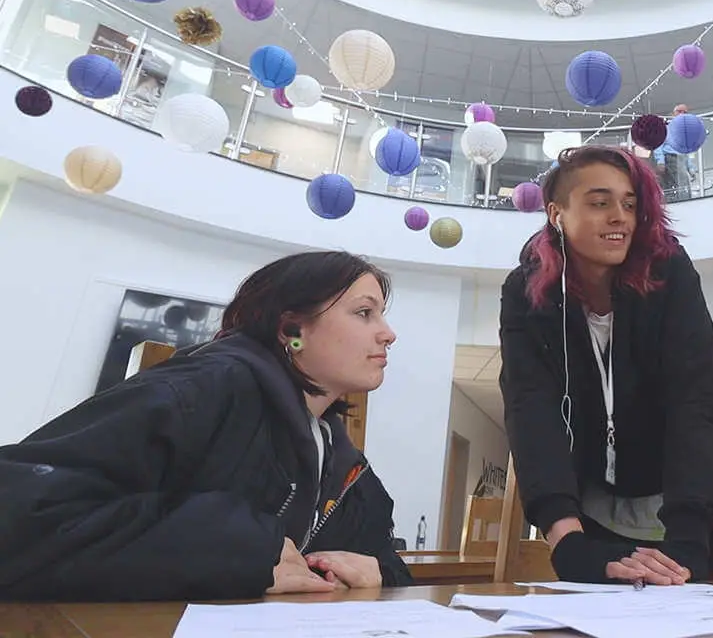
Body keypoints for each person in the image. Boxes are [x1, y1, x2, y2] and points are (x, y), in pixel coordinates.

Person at [0, 251, 413, 601]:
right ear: (291, 329)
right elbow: (19, 510)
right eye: (364, 313)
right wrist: (238, 550)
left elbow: (388, 559)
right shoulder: (203, 389)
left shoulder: (339, 455)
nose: (388, 334)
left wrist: (376, 571)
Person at [499, 145, 713, 586]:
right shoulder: (526, 293)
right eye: (599, 202)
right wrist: (567, 541)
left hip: (685, 510)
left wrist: (688, 542)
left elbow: (695, 401)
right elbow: (530, 408)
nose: (620, 217)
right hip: (590, 517)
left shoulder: (670, 273)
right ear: (556, 213)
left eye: (629, 204)